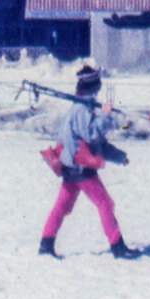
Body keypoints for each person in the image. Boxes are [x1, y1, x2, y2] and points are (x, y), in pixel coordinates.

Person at [40, 66, 141, 260]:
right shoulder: (81, 110)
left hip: (72, 167)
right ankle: (118, 247)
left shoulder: (83, 108)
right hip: (80, 168)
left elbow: (97, 144)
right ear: (93, 87)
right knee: (105, 203)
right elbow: (92, 135)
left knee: (62, 206)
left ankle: (46, 244)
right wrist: (105, 115)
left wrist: (119, 157)